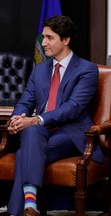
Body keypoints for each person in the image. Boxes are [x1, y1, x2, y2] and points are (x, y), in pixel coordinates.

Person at [6, 16, 104, 216]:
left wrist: (37, 119)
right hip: (40, 132)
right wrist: (16, 119)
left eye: (49, 38)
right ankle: (29, 207)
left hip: (71, 133)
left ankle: (18, 210)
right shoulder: (40, 70)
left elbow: (73, 107)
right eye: (43, 37)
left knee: (22, 154)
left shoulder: (87, 69)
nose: (43, 43)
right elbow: (25, 101)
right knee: (32, 133)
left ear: (65, 40)